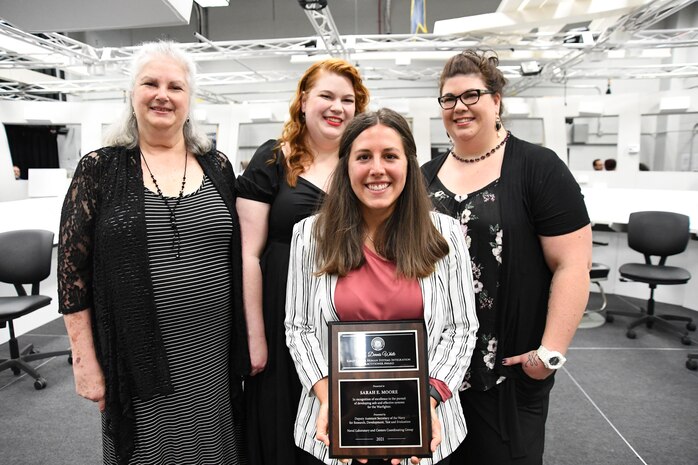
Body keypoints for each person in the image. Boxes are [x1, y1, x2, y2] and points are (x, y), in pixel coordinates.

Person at [58, 41, 249, 465]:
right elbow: (72, 273)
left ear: (189, 100)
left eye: (175, 87)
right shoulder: (99, 169)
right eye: (150, 83)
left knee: (215, 449)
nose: (163, 94)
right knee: (148, 451)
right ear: (132, 93)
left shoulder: (217, 165)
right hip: (136, 350)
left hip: (211, 351)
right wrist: (84, 361)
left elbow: (238, 254)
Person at [422, 50, 592, 464]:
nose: (459, 107)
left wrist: (549, 354)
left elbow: (572, 264)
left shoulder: (538, 167)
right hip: (435, 372)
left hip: (507, 371)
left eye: (471, 95)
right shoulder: (424, 176)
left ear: (496, 100)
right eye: (449, 99)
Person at [285, 108, 479, 465]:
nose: (377, 169)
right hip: (333, 430)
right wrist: (330, 399)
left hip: (426, 428)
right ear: (346, 166)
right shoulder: (309, 236)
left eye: (390, 156)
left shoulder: (446, 234)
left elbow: (461, 329)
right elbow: (299, 329)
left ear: (408, 163)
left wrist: (429, 399)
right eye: (363, 157)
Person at [235, 58, 370, 465]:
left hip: (345, 315)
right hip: (280, 311)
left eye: (348, 100)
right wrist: (255, 336)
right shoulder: (274, 159)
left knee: (342, 421)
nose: (337, 107)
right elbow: (248, 255)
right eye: (326, 95)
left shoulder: (361, 162)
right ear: (304, 100)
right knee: (282, 421)